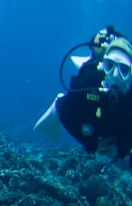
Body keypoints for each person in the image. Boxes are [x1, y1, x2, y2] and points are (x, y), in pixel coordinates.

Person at [36, 26, 132, 160]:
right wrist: (91, 144)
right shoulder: (90, 79)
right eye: (110, 66)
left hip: (115, 120)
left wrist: (122, 149)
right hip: (92, 113)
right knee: (68, 108)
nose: (115, 75)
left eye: (124, 69)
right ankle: (56, 103)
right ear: (102, 66)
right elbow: (69, 113)